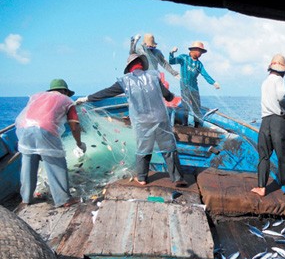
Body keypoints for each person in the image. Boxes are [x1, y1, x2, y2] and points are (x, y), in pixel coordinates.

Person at [75, 53, 185, 186]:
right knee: (168, 148)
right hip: (160, 118)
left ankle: (142, 178)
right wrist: (170, 97)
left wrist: (86, 98)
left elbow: (106, 92)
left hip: (142, 122)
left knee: (144, 148)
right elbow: (167, 95)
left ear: (129, 67)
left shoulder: (124, 81)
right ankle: (177, 179)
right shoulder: (153, 76)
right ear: (142, 65)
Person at [15, 79, 85, 208]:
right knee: (56, 163)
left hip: (24, 130)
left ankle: (25, 199)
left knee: (28, 163)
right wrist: (79, 143)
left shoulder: (37, 96)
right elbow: (74, 126)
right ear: (64, 91)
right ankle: (63, 199)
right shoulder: (67, 101)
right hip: (45, 131)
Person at [251, 54, 285, 197]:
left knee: (264, 156)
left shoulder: (265, 82)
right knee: (283, 154)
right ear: (282, 70)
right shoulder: (279, 80)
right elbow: (281, 97)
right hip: (278, 121)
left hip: (265, 122)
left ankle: (261, 187)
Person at [168, 41, 220, 127]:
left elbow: (205, 74)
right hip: (184, 87)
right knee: (185, 105)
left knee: (196, 106)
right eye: (199, 51)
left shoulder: (199, 64)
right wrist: (171, 53)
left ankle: (197, 125)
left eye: (201, 52)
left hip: (194, 88)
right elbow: (171, 61)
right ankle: (184, 124)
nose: (200, 54)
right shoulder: (184, 58)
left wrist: (213, 83)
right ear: (193, 50)